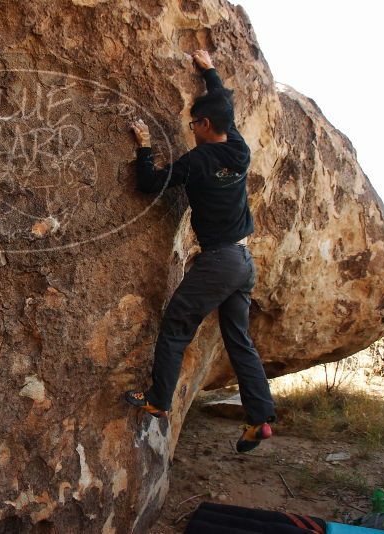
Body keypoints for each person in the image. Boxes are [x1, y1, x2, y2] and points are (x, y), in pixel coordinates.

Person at [123, 49, 277, 453]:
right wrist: (209, 69)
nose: (191, 129)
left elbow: (149, 183)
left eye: (194, 124)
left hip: (220, 260)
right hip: (244, 262)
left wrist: (143, 146)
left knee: (176, 323)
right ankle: (259, 417)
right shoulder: (238, 149)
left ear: (205, 124)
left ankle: (158, 400)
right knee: (238, 338)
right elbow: (224, 102)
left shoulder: (198, 160)